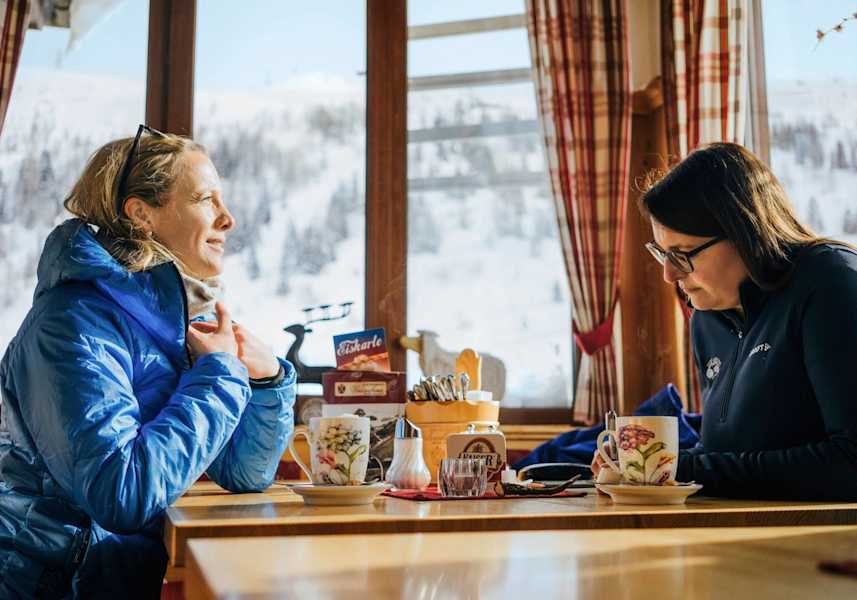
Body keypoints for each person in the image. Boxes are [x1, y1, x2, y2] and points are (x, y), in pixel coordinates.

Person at [0, 125, 296, 598]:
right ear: (141, 214)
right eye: (205, 198)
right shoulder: (73, 325)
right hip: (53, 586)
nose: (228, 219)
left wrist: (266, 381)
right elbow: (123, 493)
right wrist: (219, 376)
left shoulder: (160, 323)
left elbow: (243, 472)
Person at [591, 142, 857, 500]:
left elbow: (850, 463)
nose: (669, 275)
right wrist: (647, 469)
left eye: (682, 255)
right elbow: (724, 457)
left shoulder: (831, 283)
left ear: (744, 232)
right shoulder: (708, 318)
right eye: (661, 254)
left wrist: (678, 470)